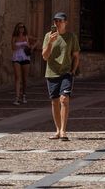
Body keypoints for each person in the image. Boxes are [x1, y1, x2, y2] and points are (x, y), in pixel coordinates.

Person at [42, 11, 80, 141]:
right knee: (55, 101)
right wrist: (50, 43)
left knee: (64, 99)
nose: (57, 23)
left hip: (66, 73)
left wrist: (73, 70)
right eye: (56, 21)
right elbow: (45, 56)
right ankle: (57, 130)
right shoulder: (48, 36)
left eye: (60, 21)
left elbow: (76, 55)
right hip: (51, 73)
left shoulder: (71, 37)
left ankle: (63, 130)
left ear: (65, 23)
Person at [11, 23, 32, 105]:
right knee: (17, 77)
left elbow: (29, 47)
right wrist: (21, 44)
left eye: (23, 27)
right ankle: (17, 98)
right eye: (20, 27)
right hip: (16, 58)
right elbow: (13, 47)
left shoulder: (26, 37)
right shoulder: (14, 37)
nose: (22, 28)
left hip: (25, 58)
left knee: (24, 79)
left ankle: (24, 95)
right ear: (17, 28)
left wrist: (27, 45)